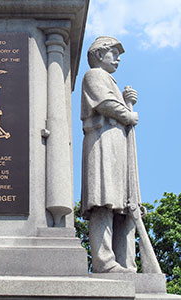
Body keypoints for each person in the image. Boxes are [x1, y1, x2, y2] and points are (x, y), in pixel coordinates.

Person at [80, 36, 139, 273]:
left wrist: (127, 103)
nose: (117, 59)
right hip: (102, 141)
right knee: (104, 200)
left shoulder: (109, 79)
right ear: (98, 54)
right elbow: (104, 103)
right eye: (113, 53)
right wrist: (128, 112)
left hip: (116, 142)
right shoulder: (94, 75)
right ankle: (104, 261)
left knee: (124, 204)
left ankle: (126, 262)